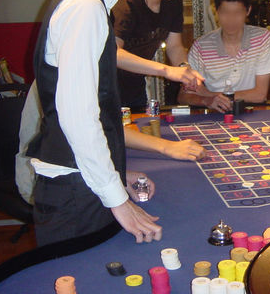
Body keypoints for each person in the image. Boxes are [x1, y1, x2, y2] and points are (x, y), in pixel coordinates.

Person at [26, 0, 166, 246]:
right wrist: (117, 199)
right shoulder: (85, 6)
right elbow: (78, 116)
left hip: (79, 180)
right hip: (74, 191)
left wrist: (117, 174)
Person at [16, 81, 206, 204]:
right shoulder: (70, 71)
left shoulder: (89, 60)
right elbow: (90, 130)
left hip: (75, 172)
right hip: (47, 181)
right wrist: (167, 146)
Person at [112, 0, 204, 109]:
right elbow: (114, 54)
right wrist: (167, 70)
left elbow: (174, 46)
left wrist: (185, 69)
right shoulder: (128, 3)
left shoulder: (173, 0)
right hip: (107, 90)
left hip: (135, 88)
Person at [178, 0, 270, 112]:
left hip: (252, 115)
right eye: (225, 12)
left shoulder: (263, 39)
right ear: (216, 10)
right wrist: (207, 100)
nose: (231, 20)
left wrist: (208, 94)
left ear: (248, 10)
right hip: (214, 115)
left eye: (237, 13)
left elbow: (259, 95)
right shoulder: (201, 47)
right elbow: (183, 96)